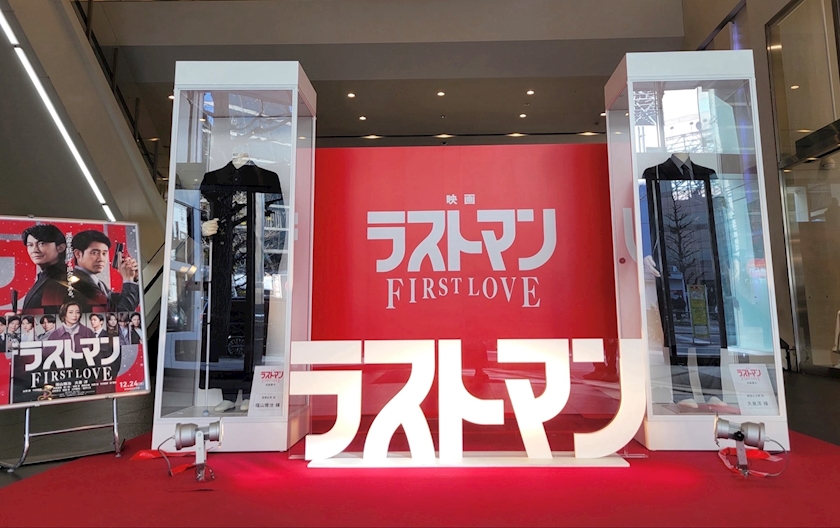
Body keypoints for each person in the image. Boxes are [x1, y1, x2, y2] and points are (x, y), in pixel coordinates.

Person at [70, 230, 140, 313]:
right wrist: (128, 279)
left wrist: (133, 278)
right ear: (78, 254)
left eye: (104, 253)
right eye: (95, 253)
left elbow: (118, 302)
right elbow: (121, 313)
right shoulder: (80, 283)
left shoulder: (97, 282)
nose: (101, 259)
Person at [19, 224, 71, 314]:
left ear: (61, 248)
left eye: (41, 244)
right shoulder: (47, 276)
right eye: (30, 245)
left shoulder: (62, 279)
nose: (34, 250)